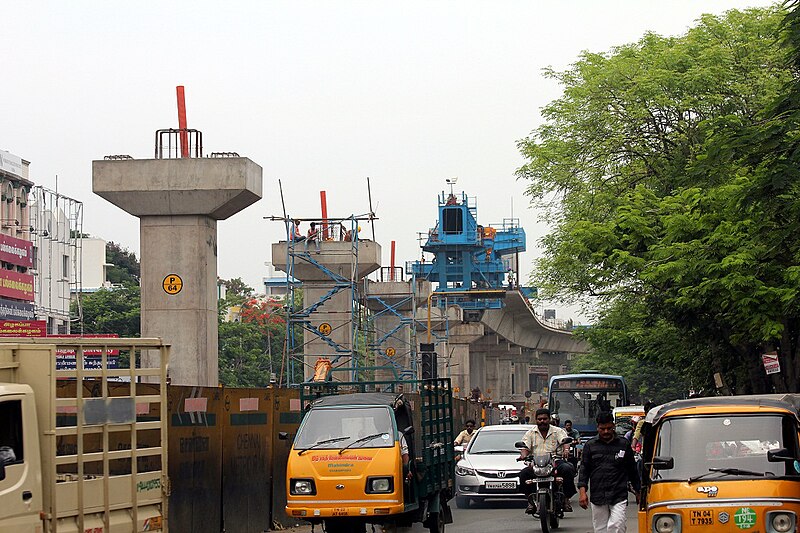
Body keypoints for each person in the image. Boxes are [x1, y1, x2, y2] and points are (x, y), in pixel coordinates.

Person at [578, 411, 641, 533]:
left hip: (619, 494)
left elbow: (632, 470)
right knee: (600, 529)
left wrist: (638, 492)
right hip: (598, 495)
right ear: (598, 427)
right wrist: (582, 493)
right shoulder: (590, 445)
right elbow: (584, 470)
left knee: (617, 526)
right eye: (602, 429)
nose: (606, 432)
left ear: (613, 426)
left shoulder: (624, 444)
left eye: (609, 428)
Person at [518, 408, 577, 514]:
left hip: (555, 461)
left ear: (549, 419)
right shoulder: (530, 433)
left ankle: (566, 499)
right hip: (536, 463)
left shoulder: (558, 431)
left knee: (568, 469)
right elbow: (525, 447)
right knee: (523, 474)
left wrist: (566, 450)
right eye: (539, 419)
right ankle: (531, 502)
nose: (542, 421)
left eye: (545, 419)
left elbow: (565, 441)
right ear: (536, 420)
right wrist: (523, 455)